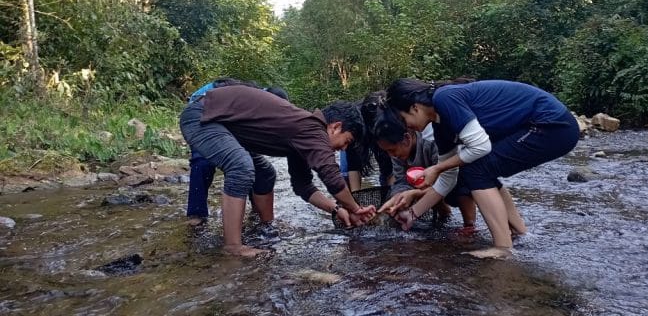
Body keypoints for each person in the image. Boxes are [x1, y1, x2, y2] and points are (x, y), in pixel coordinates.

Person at [382, 78, 579, 258]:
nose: (406, 127)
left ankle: (503, 248)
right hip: (548, 126)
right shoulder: (440, 127)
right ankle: (520, 234)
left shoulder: (445, 98)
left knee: (475, 168)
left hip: (552, 124)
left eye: (403, 119)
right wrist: (413, 214)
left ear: (415, 108)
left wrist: (437, 168)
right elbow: (448, 179)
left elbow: (480, 147)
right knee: (479, 169)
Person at [179, 84, 377, 256]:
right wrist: (355, 208)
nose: (342, 149)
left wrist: (336, 209)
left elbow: (303, 186)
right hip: (202, 117)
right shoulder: (312, 128)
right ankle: (233, 246)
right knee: (241, 166)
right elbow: (331, 176)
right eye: (346, 141)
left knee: (265, 173)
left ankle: (265, 229)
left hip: (223, 125)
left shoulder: (303, 132)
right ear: (335, 127)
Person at [185, 79, 289, 233]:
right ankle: (197, 214)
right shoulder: (252, 100)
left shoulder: (259, 105)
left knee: (257, 166)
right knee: (203, 162)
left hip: (228, 119)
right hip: (201, 114)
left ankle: (258, 212)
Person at [373, 107, 477, 230]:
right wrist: (397, 197)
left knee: (461, 186)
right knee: (408, 190)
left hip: (454, 176)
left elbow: (447, 180)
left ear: (406, 139)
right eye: (387, 152)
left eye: (392, 150)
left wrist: (415, 193)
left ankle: (469, 226)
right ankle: (445, 215)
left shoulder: (432, 143)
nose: (391, 155)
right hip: (428, 182)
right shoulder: (397, 153)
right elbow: (401, 180)